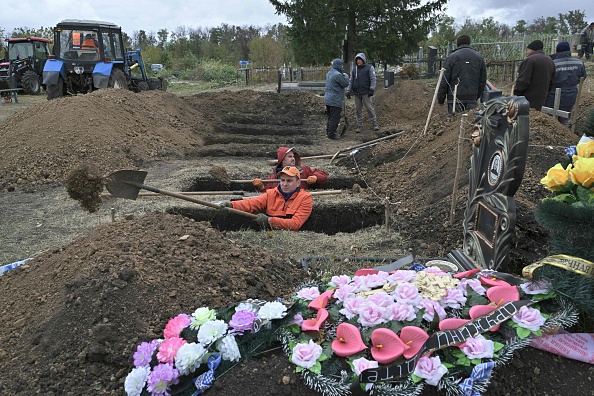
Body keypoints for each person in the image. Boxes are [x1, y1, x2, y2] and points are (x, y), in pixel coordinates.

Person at [218, 166, 313, 231]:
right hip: (269, 233)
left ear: (298, 183)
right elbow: (251, 204)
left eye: (289, 181)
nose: (284, 184)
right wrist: (231, 205)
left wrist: (269, 221)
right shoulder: (271, 194)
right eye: (282, 180)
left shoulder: (305, 198)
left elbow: (295, 224)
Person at [437, 35, 487, 113]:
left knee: (454, 123)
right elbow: (483, 80)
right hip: (472, 97)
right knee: (469, 122)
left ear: (458, 44)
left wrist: (441, 99)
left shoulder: (452, 57)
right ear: (469, 43)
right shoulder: (479, 57)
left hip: (454, 99)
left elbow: (445, 79)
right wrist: (477, 96)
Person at [544, 41, 587, 126]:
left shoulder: (552, 63)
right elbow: (583, 77)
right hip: (571, 94)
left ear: (557, 50)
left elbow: (547, 79)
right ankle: (565, 133)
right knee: (565, 118)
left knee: (549, 120)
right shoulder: (579, 63)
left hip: (553, 95)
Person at [252, 147, 328, 192]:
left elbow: (323, 175)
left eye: (293, 156)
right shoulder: (273, 176)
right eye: (289, 157)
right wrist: (261, 187)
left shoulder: (304, 170)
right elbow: (268, 194)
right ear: (282, 159)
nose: (293, 159)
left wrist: (315, 177)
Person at [513, 40, 555, 111]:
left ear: (532, 49)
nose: (527, 52)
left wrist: (516, 93)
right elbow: (552, 82)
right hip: (542, 98)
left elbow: (523, 81)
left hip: (527, 99)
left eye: (528, 49)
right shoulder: (550, 61)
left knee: (525, 118)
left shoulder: (530, 60)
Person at [346, 53, 379, 132]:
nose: (358, 61)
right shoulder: (354, 69)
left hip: (366, 93)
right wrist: (348, 90)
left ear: (363, 60)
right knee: (358, 110)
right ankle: (359, 126)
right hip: (357, 93)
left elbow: (373, 79)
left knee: (369, 108)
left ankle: (375, 124)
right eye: (357, 60)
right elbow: (351, 80)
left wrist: (372, 89)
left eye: (360, 59)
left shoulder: (369, 68)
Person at [324, 58, 350, 139]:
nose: (342, 67)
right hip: (335, 99)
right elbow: (345, 83)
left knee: (330, 116)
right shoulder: (337, 75)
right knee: (335, 117)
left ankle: (328, 131)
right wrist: (346, 76)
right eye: (341, 65)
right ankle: (331, 134)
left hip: (328, 99)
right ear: (338, 65)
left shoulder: (329, 73)